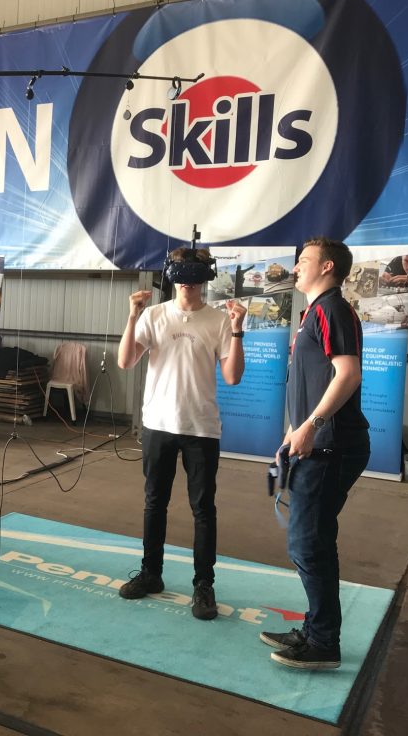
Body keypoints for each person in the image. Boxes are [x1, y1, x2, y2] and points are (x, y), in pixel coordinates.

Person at [117, 247, 246, 620]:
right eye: (183, 273)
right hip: (158, 423)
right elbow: (126, 362)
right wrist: (133, 317)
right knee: (154, 502)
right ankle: (151, 574)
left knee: (203, 509)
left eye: (195, 273)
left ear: (205, 277)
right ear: (172, 275)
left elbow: (233, 376)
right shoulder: (155, 315)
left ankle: (203, 586)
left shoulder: (220, 320)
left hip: (201, 428)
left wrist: (238, 330)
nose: (189, 281)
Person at [260, 237, 369, 670]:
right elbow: (311, 382)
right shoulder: (313, 313)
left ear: (327, 267)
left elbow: (348, 374)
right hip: (314, 443)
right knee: (312, 541)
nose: (296, 266)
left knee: (308, 543)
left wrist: (312, 426)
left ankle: (324, 643)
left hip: (333, 448)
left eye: (303, 260)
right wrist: (292, 432)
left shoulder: (332, 309)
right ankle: (315, 629)